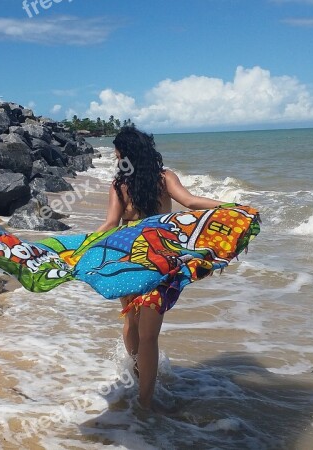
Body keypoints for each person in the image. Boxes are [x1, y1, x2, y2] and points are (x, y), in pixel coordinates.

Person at [95, 126, 224, 411]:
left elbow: (109, 225)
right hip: (159, 261)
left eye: (118, 155)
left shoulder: (119, 186)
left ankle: (138, 374)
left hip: (126, 260)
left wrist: (84, 249)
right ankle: (146, 402)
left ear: (126, 155)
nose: (117, 161)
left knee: (131, 321)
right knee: (150, 334)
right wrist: (232, 207)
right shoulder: (164, 179)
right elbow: (191, 203)